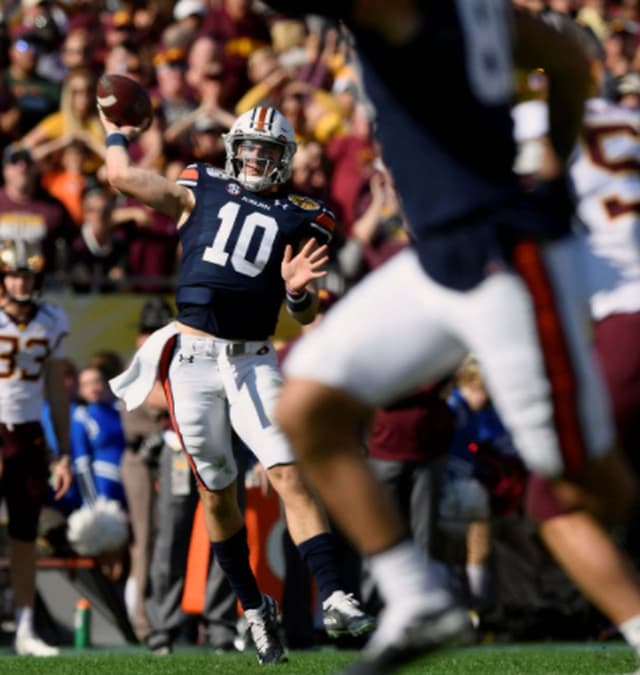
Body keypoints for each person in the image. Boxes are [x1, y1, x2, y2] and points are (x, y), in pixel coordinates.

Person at [262, 2, 640, 673]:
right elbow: (564, 60)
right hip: (439, 258)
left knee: (584, 491)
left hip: (501, 261)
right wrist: (552, 163)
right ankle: (416, 598)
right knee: (305, 404)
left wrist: (547, 178)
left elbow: (560, 62)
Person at [101, 104, 375, 665]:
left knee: (287, 472)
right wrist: (115, 133)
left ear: (284, 160)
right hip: (192, 357)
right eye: (248, 147)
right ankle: (254, 610)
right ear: (232, 148)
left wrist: (297, 291)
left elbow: (303, 313)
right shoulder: (198, 185)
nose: (254, 158)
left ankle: (337, 597)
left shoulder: (304, 215)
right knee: (216, 491)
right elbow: (121, 177)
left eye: (266, 151)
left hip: (253, 358)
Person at [0, 238, 72, 656]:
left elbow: (57, 393)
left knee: (25, 535)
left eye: (27, 275)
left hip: (27, 434)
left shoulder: (51, 319)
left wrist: (62, 451)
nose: (21, 282)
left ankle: (26, 627)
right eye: (13, 274)